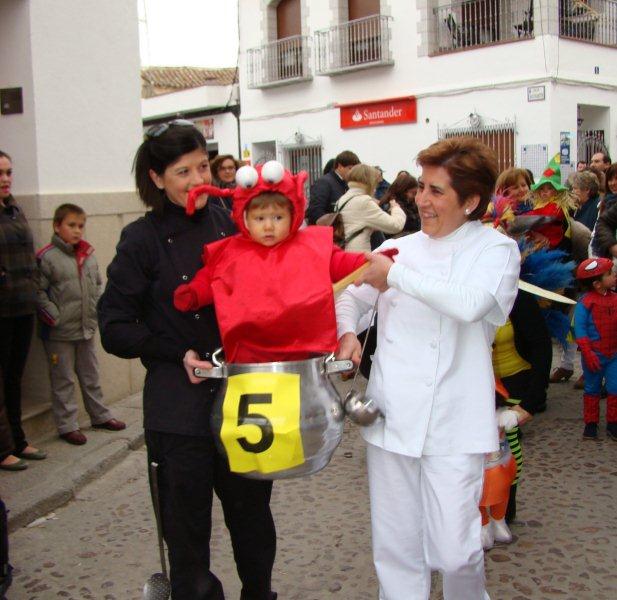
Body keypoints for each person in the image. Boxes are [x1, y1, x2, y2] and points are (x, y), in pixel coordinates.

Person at [97, 121, 277, 600]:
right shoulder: (141, 239)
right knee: (186, 539)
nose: (198, 179)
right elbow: (114, 326)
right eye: (182, 171)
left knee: (254, 523)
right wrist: (175, 352)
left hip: (245, 398)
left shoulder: (233, 217)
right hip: (179, 410)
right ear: (156, 179)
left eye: (202, 166)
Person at [335, 137, 520, 600]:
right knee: (397, 550)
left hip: (456, 423)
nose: (421, 199)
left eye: (436, 191)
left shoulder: (495, 251)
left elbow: (471, 304)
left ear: (471, 201)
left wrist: (393, 276)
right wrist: (348, 331)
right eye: (421, 187)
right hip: (392, 414)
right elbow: (351, 296)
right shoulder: (401, 248)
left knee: (457, 552)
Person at [173, 161, 379, 363]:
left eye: (278, 217)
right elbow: (211, 277)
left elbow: (335, 261)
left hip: (302, 348)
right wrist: (194, 293)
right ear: (244, 218)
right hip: (250, 350)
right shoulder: (231, 252)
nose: (269, 226)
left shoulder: (308, 245)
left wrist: (364, 262)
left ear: (293, 215)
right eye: (260, 219)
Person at [36, 203, 126, 445]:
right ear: (57, 226)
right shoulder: (47, 258)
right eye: (71, 225)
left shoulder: (87, 255)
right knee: (63, 378)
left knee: (90, 374)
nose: (77, 231)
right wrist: (54, 316)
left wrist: (95, 311)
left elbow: (97, 284)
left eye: (81, 226)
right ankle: (67, 424)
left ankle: (99, 415)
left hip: (85, 327)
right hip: (59, 332)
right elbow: (38, 291)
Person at [0, 150, 46, 472]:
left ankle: (18, 439)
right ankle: (3, 448)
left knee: (15, 377)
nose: (5, 179)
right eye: (0, 173)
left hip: (22, 305)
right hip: (1, 308)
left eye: (8, 172)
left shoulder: (14, 209)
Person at [573, 257, 617, 441]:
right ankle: (591, 424)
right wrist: (587, 352)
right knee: (592, 389)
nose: (614, 276)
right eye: (610, 273)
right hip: (594, 355)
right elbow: (580, 330)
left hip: (614, 354)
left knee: (615, 388)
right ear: (597, 284)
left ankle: (613, 423)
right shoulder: (585, 303)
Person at [333, 164, 406, 252]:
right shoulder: (364, 201)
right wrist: (395, 208)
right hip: (358, 255)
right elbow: (395, 225)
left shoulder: (342, 199)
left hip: (343, 252)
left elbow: (355, 224)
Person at [306, 150, 360, 224]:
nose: (353, 172)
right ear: (340, 166)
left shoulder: (345, 183)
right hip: (327, 232)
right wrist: (336, 227)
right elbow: (316, 211)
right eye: (350, 168)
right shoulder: (324, 182)